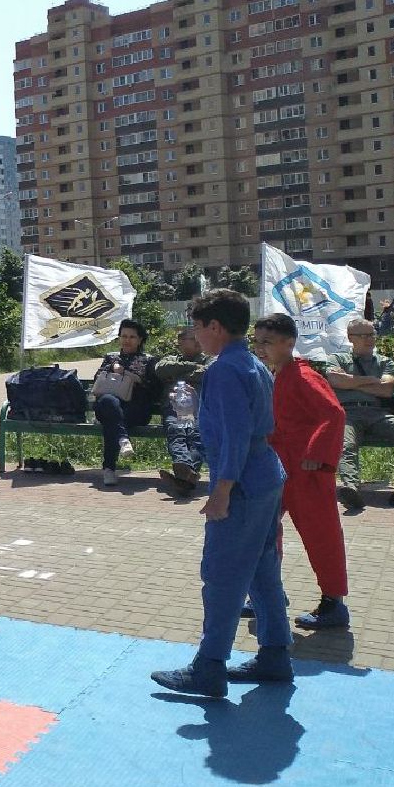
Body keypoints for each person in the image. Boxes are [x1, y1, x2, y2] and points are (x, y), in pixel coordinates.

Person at [152, 290, 292, 697]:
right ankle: (275, 654)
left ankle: (209, 666)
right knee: (262, 571)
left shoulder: (224, 370)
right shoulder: (253, 363)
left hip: (243, 482)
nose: (195, 335)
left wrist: (222, 491)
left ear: (215, 327)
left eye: (197, 327)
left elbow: (233, 435)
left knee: (223, 575)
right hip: (266, 476)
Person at [251, 314, 351, 632]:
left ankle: (334, 603)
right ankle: (269, 592)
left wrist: (316, 455)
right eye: (257, 341)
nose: (260, 348)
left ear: (289, 342)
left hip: (307, 472)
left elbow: (334, 414)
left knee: (320, 535)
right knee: (263, 529)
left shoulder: (304, 376)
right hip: (280, 467)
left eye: (267, 342)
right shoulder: (275, 374)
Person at [327, 318, 394, 511]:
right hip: (348, 412)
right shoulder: (337, 358)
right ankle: (351, 487)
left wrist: (351, 382)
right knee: (347, 442)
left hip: (377, 413)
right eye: (363, 335)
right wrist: (372, 380)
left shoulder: (384, 361)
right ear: (350, 338)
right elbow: (336, 380)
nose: (369, 339)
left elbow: (387, 389)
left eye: (372, 334)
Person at [91, 319, 160, 488]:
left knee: (112, 421)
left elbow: (154, 388)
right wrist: (111, 369)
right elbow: (97, 380)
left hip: (135, 410)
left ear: (140, 339)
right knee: (109, 402)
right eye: (124, 336)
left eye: (132, 337)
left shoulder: (148, 360)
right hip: (108, 406)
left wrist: (129, 375)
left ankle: (109, 469)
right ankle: (123, 439)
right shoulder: (110, 358)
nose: (127, 340)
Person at [152, 327, 208, 496]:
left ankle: (183, 475)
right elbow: (160, 369)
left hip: (199, 408)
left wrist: (176, 376)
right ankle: (187, 475)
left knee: (197, 435)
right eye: (190, 339)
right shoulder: (171, 359)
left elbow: (208, 373)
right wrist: (192, 368)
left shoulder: (210, 359)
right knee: (176, 432)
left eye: (198, 338)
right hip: (174, 407)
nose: (197, 342)